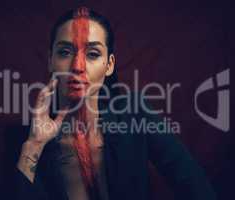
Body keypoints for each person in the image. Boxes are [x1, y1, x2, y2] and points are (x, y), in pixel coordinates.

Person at [12, 7, 216, 200]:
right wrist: (34, 145)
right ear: (50, 60)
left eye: (92, 54)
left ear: (109, 65)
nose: (78, 66)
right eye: (65, 52)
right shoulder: (24, 141)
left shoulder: (135, 115)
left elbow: (196, 186)